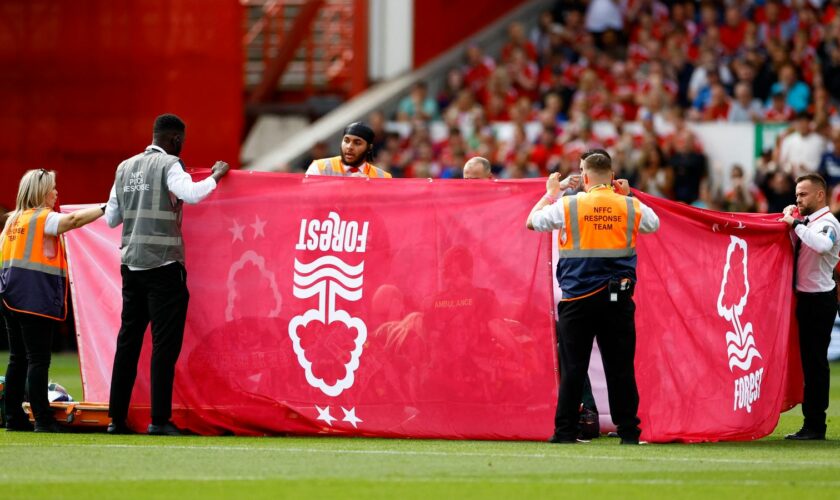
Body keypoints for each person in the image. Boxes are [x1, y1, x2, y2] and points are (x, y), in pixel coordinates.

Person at [104, 114, 230, 436]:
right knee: (164, 347)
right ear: (175, 140)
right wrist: (216, 175)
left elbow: (111, 219)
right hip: (163, 267)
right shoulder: (170, 164)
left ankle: (115, 420)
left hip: (131, 266)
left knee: (128, 344)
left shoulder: (124, 167)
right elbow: (191, 194)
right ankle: (159, 420)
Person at [526, 149, 660, 444]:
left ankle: (564, 432)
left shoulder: (569, 205)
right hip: (618, 299)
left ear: (584, 177)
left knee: (573, 368)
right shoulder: (630, 206)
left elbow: (531, 222)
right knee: (620, 368)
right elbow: (654, 224)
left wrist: (551, 194)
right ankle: (628, 433)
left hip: (577, 299)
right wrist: (630, 195)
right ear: (613, 178)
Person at [1, 169, 106, 432]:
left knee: (18, 359)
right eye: (53, 188)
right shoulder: (42, 218)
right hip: (33, 296)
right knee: (38, 360)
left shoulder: (13, 220)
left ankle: (14, 417)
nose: (56, 192)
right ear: (41, 193)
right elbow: (72, 220)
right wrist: (106, 207)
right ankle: (43, 419)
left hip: (10, 297)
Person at [780, 173, 840, 440]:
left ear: (819, 195)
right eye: (796, 195)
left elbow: (822, 245)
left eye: (803, 194)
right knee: (807, 363)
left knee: (815, 364)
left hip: (819, 300)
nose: (798, 199)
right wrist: (792, 224)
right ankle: (811, 423)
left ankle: (815, 426)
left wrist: (795, 224)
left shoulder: (829, 223)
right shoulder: (808, 222)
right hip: (804, 298)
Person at [305, 122, 392, 179]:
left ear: (369, 148)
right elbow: (307, 199)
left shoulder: (384, 177)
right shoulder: (319, 167)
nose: (349, 146)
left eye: (357, 143)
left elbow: (387, 206)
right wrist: (346, 185)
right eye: (346, 141)